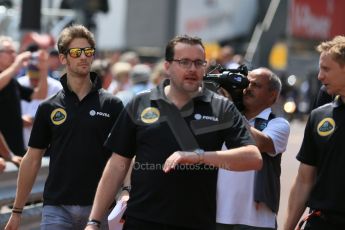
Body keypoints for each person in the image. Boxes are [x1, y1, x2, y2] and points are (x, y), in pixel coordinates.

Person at [85, 35, 262, 230]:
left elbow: (253, 158)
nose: (192, 69)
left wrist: (199, 157)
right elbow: (117, 165)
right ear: (167, 67)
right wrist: (94, 221)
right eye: (184, 62)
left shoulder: (221, 108)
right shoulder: (140, 103)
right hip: (141, 221)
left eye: (198, 63)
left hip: (197, 223)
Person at [5, 24, 124, 230]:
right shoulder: (48, 107)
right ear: (63, 58)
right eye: (76, 52)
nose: (83, 57)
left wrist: (125, 192)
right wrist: (16, 211)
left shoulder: (112, 105)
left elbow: (125, 154)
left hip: (100, 208)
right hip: (57, 207)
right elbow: (32, 159)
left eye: (88, 51)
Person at [216, 68, 290, 230]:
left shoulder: (278, 124)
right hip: (216, 216)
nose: (248, 88)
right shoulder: (221, 117)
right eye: (247, 84)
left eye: (256, 85)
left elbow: (259, 143)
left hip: (257, 221)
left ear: (273, 96)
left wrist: (228, 108)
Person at [284, 35, 345, 230]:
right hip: (321, 222)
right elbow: (304, 179)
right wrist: (288, 227)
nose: (320, 76)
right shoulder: (319, 115)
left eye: (326, 69)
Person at [0, 36, 48, 156]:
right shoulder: (6, 78)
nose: (14, 55)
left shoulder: (12, 81)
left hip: (14, 150)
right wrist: (17, 63)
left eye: (15, 52)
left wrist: (43, 70)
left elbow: (39, 95)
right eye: (10, 51)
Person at [18, 50, 62, 148]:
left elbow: (60, 116)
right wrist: (18, 120)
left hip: (47, 146)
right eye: (32, 78)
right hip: (21, 144)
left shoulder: (57, 87)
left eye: (37, 78)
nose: (34, 81)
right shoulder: (19, 84)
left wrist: (35, 120)